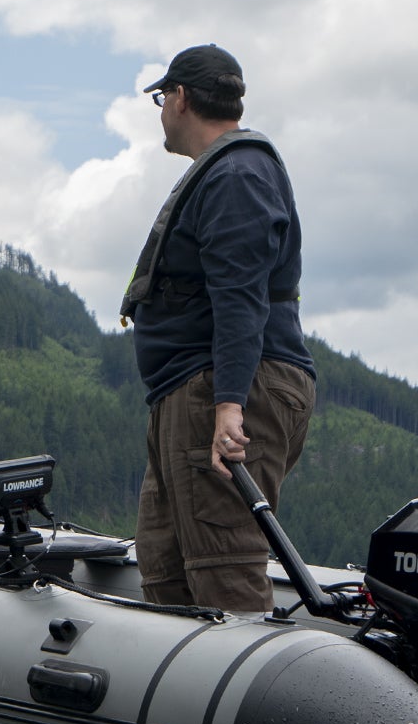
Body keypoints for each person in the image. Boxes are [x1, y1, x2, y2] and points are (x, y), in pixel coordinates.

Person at [122, 45, 316, 611]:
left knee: (221, 572)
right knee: (167, 568)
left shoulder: (236, 175)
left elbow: (239, 299)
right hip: (190, 391)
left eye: (161, 99)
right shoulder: (230, 171)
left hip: (222, 391)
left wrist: (228, 407)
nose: (160, 110)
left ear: (180, 98)